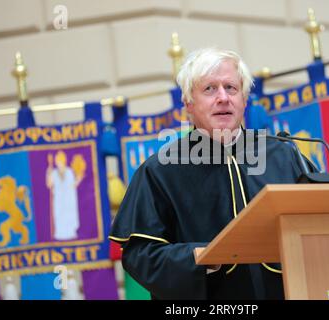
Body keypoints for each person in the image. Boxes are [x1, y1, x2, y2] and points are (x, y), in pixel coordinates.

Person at [109, 47, 317, 299]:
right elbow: (140, 255)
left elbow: (322, 223)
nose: (223, 97)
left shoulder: (284, 154)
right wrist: (200, 257)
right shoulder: (160, 170)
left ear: (244, 99)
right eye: (210, 89)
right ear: (188, 103)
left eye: (231, 88)